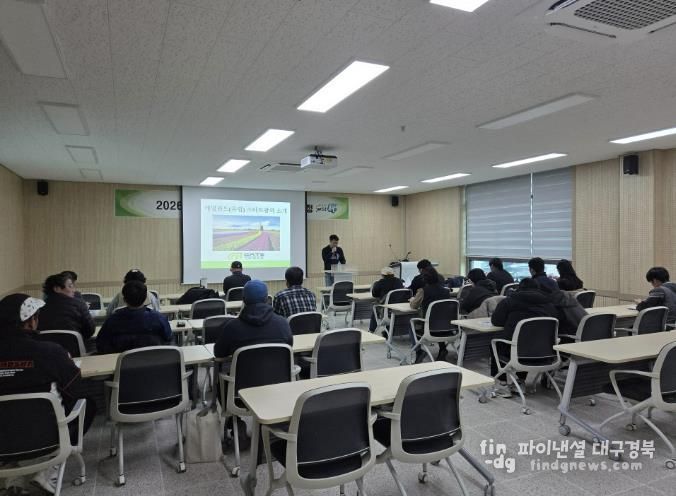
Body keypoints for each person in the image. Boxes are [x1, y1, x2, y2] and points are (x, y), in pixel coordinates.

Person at [0, 293, 96, 494]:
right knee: (87, 403)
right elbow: (74, 389)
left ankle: (12, 474)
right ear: (30, 321)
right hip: (46, 438)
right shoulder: (50, 352)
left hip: (3, 441)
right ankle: (47, 472)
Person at [490, 278, 558, 376]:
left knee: (496, 341)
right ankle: (522, 377)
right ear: (538, 288)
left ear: (519, 288)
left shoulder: (509, 301)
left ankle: (501, 379)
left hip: (515, 352)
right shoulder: (549, 304)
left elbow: (496, 321)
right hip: (546, 353)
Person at [214, 280, 293, 359]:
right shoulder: (283, 324)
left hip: (244, 367)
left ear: (244, 299)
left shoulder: (231, 327)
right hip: (276, 367)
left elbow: (219, 353)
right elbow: (289, 345)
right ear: (266, 299)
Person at [96, 281, 172, 354]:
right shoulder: (159, 318)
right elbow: (169, 339)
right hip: (154, 361)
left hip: (120, 362)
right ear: (145, 298)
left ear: (124, 299)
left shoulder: (112, 320)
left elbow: (100, 344)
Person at [410, 267, 452, 361]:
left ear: (424, 279)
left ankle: (419, 351)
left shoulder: (422, 291)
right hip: (446, 326)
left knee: (410, 323)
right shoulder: (446, 291)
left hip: (429, 328)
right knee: (438, 318)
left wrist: (413, 300)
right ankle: (442, 348)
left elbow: (413, 306)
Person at [38, 273, 95, 340]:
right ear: (57, 289)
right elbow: (90, 330)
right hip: (73, 345)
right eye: (70, 286)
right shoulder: (79, 304)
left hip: (46, 345)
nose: (74, 290)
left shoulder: (39, 308)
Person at [369, 267, 404, 332]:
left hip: (386, 309)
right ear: (393, 274)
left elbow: (374, 295)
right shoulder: (399, 281)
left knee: (375, 308)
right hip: (399, 307)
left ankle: (371, 329)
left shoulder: (380, 283)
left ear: (383, 275)